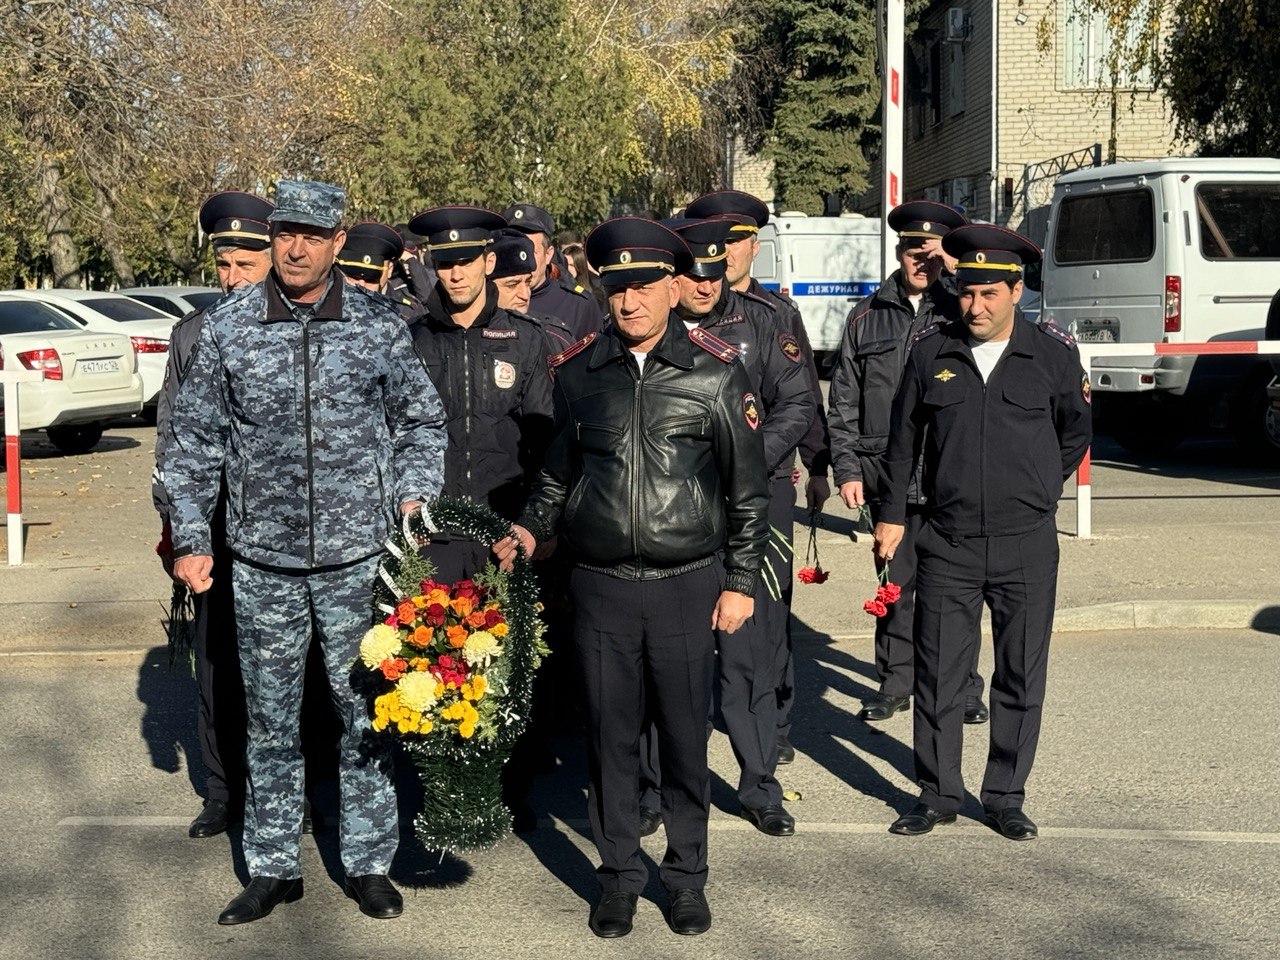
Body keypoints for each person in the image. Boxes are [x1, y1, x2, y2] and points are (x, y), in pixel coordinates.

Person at [163, 179, 448, 924]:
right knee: (270, 720)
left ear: (337, 240)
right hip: (263, 563)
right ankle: (271, 866)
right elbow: (192, 446)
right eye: (286, 232)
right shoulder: (229, 328)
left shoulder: (379, 325)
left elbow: (422, 423)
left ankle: (368, 862)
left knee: (363, 716)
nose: (296, 247)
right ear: (272, 233)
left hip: (360, 558)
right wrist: (192, 539)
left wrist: (413, 499)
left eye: (313, 235)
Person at [494, 217, 768, 939]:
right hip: (601, 587)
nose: (629, 300)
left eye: (643, 284)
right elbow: (555, 476)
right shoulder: (580, 373)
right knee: (610, 742)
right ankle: (618, 878)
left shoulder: (715, 371)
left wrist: (740, 582)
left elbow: (748, 491)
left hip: (687, 585)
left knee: (682, 742)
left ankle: (684, 879)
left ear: (674, 288)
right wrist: (528, 527)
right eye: (616, 286)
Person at [872, 224, 1091, 841]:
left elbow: (1075, 430)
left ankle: (1004, 796)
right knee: (939, 672)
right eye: (967, 293)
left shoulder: (1051, 355)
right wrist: (891, 515)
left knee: (1020, 674)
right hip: (949, 541)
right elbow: (901, 444)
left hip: (1026, 541)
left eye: (990, 294)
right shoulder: (931, 352)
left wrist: (1042, 487)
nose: (975, 306)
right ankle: (938, 793)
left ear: (1016, 291)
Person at [634, 215, 814, 839]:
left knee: (748, 654)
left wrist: (747, 462)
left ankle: (760, 785)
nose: (706, 286)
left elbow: (797, 403)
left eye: (715, 273)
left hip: (749, 506)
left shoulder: (765, 323)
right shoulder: (646, 335)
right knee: (668, 658)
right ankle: (654, 788)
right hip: (672, 512)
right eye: (692, 274)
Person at [827, 200, 989, 725]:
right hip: (884, 477)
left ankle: (962, 686)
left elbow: (1003, 323)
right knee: (894, 588)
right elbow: (843, 399)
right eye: (912, 251)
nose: (922, 260)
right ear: (898, 253)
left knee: (958, 591)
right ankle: (895, 681)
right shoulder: (867, 315)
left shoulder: (962, 312)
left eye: (932, 252)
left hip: (948, 476)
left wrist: (960, 266)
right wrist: (847, 469)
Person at [683, 190, 829, 765]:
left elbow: (802, 402)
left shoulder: (774, 316)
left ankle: (771, 731)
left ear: (751, 246)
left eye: (738, 240)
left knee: (765, 622)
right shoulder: (668, 311)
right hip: (687, 497)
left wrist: (814, 464)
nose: (726, 253)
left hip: (762, 488)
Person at [153, 191, 272, 840]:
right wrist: (178, 529)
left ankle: (291, 794)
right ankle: (223, 793)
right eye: (224, 265)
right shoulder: (191, 335)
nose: (233, 278)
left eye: (245, 263)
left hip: (283, 537)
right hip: (213, 534)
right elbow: (171, 440)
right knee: (218, 670)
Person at [502, 203, 604, 338]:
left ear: (548, 254)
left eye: (530, 251)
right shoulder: (488, 298)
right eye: (513, 251)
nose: (522, 259)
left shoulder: (578, 305)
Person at [490, 228, 577, 354]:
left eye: (527, 283)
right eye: (512, 285)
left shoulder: (555, 338)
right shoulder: (465, 336)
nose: (525, 295)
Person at [337, 220, 423, 320]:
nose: (362, 285)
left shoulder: (408, 311)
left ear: (389, 269)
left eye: (371, 278)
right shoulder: (333, 306)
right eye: (354, 277)